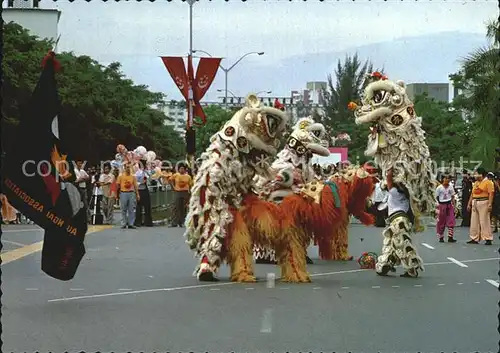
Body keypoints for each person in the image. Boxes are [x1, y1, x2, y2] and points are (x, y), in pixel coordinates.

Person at [375, 168, 424, 278]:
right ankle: (385, 265)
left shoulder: (393, 191)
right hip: (404, 219)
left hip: (397, 220)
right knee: (393, 244)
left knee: (402, 246)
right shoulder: (408, 194)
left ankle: (412, 269)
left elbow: (388, 178)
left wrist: (391, 166)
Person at [466, 167, 494, 245]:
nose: (475, 175)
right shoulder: (476, 183)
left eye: (476, 174)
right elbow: (472, 194)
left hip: (484, 201)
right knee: (474, 221)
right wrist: (469, 204)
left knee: (484, 220)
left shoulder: (488, 182)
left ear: (481, 174)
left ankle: (488, 238)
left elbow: (491, 194)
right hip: (475, 202)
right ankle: (474, 238)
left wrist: (490, 204)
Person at [116, 163, 140, 229]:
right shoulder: (121, 176)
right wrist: (117, 195)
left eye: (129, 167)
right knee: (123, 209)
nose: (128, 169)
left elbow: (135, 186)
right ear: (124, 168)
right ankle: (123, 223)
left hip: (131, 193)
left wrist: (137, 194)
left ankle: (131, 223)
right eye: (127, 167)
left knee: (131, 209)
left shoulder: (133, 176)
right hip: (123, 193)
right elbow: (117, 186)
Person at [435, 175, 457, 243]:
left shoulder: (450, 187)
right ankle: (441, 236)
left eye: (448, 178)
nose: (447, 180)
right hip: (442, 205)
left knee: (451, 220)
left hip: (449, 205)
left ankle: (450, 237)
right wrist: (438, 207)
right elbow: (437, 197)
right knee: (441, 221)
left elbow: (452, 196)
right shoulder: (439, 188)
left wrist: (454, 206)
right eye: (446, 178)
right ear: (443, 179)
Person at [134, 159, 153, 227]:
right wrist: (140, 183)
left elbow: (150, 179)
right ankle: (138, 222)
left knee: (147, 206)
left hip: (146, 189)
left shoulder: (147, 172)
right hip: (139, 190)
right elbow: (135, 181)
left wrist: (147, 180)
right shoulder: (137, 172)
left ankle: (148, 222)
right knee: (139, 206)